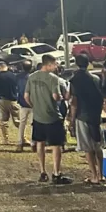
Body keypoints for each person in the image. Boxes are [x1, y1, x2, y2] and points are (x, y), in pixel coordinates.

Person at [24, 54, 71, 185]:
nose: (56, 67)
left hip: (38, 116)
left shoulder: (32, 77)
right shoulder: (53, 78)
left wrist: (34, 106)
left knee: (40, 143)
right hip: (52, 116)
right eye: (55, 64)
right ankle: (56, 173)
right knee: (56, 145)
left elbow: (26, 96)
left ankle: (42, 172)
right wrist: (62, 97)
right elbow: (56, 96)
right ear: (49, 64)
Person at [68, 54, 105, 185]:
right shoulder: (96, 78)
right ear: (88, 63)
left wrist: (72, 120)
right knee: (97, 145)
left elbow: (74, 102)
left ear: (76, 64)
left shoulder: (75, 80)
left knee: (87, 148)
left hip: (82, 116)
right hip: (96, 115)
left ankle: (94, 176)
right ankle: (101, 174)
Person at [0, 61, 21, 145]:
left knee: (3, 121)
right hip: (13, 100)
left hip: (2, 100)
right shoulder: (13, 76)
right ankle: (22, 137)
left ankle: (5, 139)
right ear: (6, 67)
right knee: (17, 120)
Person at [15, 60, 34, 151]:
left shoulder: (18, 77)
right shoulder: (32, 77)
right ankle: (33, 143)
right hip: (33, 103)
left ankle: (19, 142)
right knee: (33, 124)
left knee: (22, 124)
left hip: (22, 103)